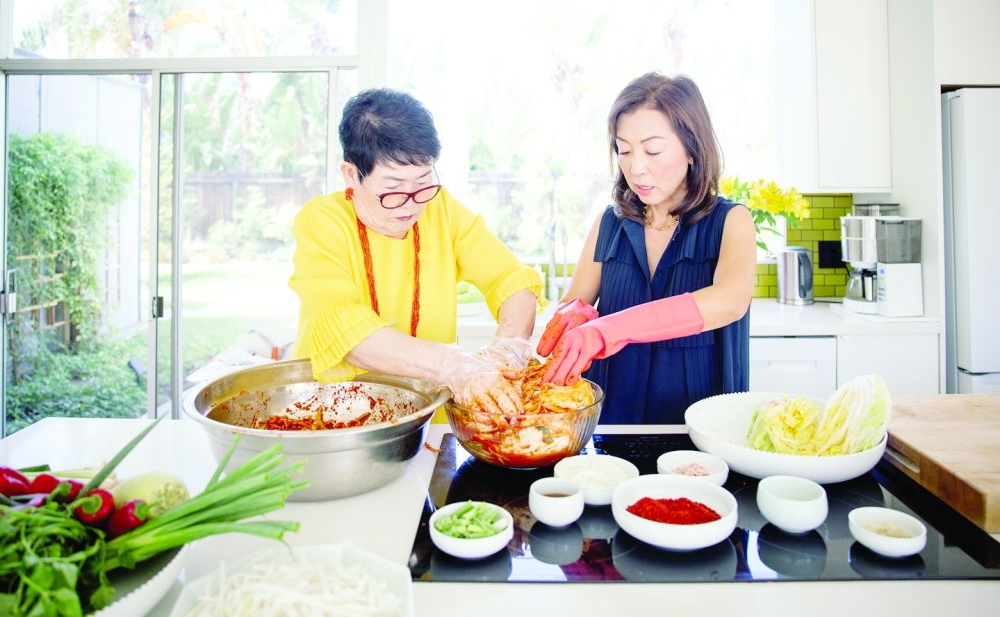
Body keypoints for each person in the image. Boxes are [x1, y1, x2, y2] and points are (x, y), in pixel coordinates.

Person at [288, 88, 545, 401]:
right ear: (351, 175)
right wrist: (453, 364)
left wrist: (509, 350)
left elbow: (512, 279)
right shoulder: (323, 221)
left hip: (424, 415)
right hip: (331, 411)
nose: (410, 205)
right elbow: (340, 325)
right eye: (393, 188)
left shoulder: (442, 209)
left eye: (422, 183)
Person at [537, 73, 757, 424]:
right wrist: (571, 314)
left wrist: (609, 329)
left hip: (700, 433)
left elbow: (728, 302)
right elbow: (576, 302)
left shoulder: (731, 222)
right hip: (613, 426)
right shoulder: (608, 224)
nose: (636, 168)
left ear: (692, 148)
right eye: (624, 151)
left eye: (653, 150)